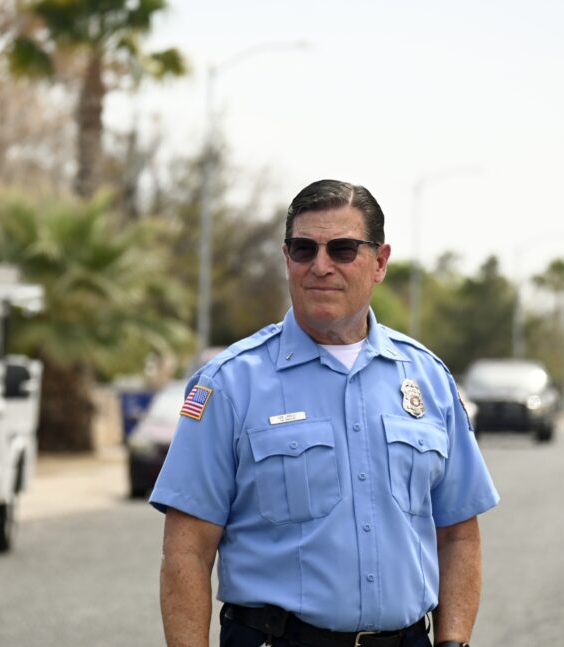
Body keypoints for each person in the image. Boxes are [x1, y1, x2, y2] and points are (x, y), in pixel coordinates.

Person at [150, 179, 499, 647]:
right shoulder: (230, 383)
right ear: (286, 259)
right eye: (304, 249)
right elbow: (187, 550)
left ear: (379, 263)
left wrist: (453, 641)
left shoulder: (429, 379)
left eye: (342, 249)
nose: (320, 266)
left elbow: (458, 535)